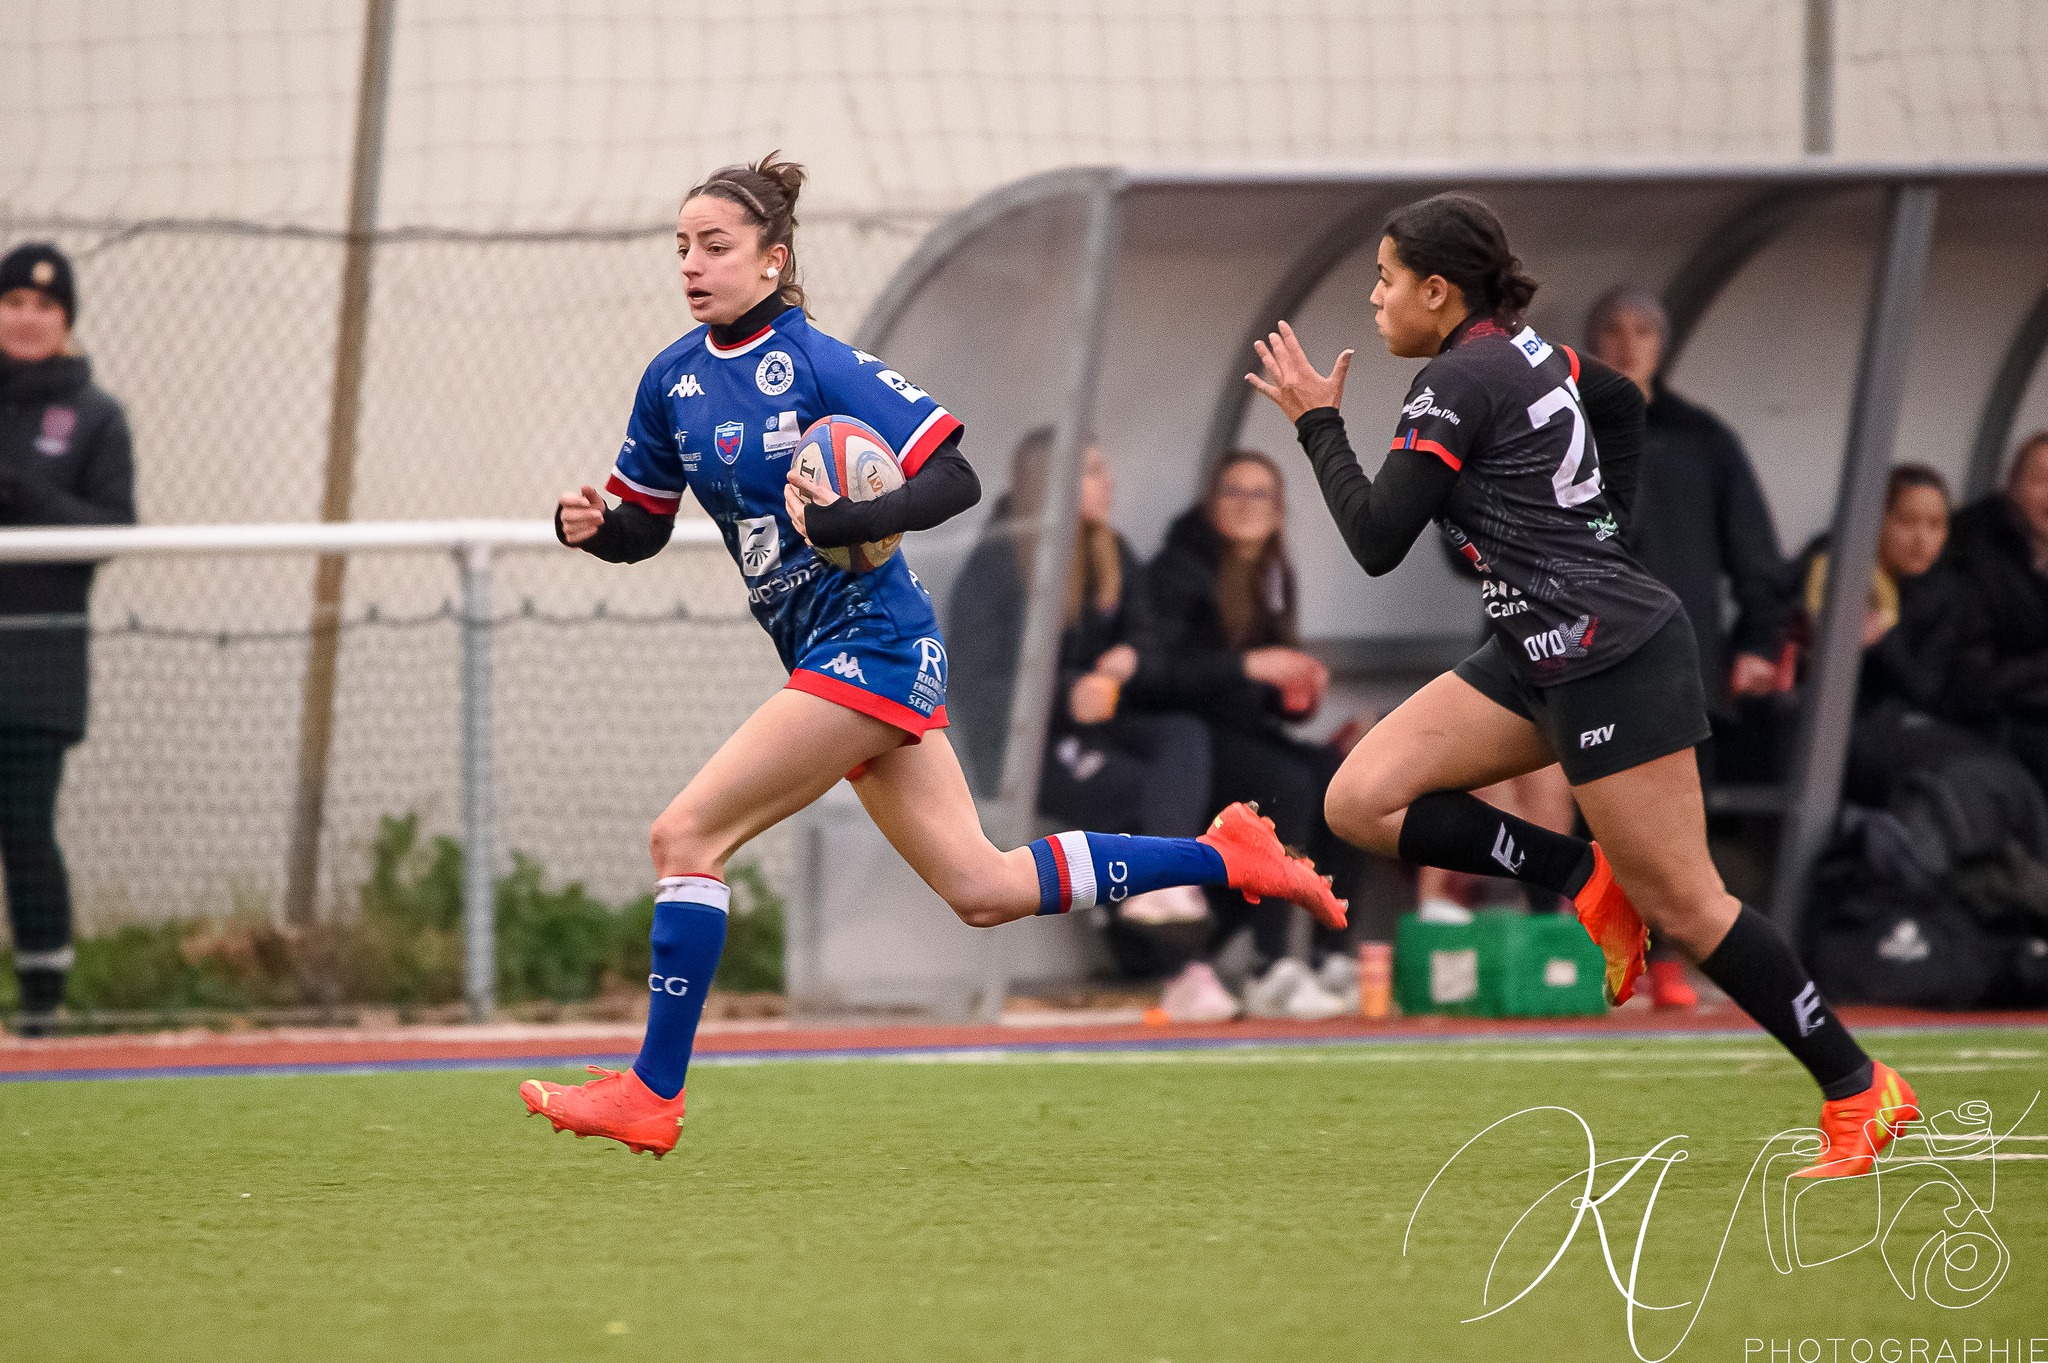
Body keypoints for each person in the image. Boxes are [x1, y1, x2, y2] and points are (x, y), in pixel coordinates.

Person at [518, 154, 1343, 1153]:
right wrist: (590, 528)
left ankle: (652, 1090)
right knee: (983, 889)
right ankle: (1225, 853)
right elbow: (642, 525)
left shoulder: (821, 362)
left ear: (773, 260)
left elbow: (952, 476)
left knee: (683, 837)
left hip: (871, 642)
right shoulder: (672, 381)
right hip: (823, 654)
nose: (692, 264)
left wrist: (859, 515)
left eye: (716, 246)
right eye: (682, 247)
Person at [1245, 191, 1915, 1178]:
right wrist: (1605, 527)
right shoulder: (1529, 352)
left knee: (1688, 907)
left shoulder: (1449, 383)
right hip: (1532, 649)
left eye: (1386, 279)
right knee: (1358, 797)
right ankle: (1582, 877)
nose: (1375, 297)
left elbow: (1378, 541)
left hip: (1610, 656)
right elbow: (1618, 401)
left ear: (1437, 291)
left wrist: (1316, 425)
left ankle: (1859, 1088)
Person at [948, 430, 1230, 1020]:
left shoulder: (1113, 551)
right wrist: (1064, 690)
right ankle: (1179, 964)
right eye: (1090, 470)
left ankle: (1169, 911)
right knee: (1144, 796)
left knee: (1186, 739)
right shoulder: (1000, 559)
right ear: (1050, 485)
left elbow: (1151, 649)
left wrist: (1130, 663)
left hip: (1097, 732)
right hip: (1024, 749)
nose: (1107, 483)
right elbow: (974, 680)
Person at [1148, 450, 1367, 1020]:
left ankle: (1330, 953)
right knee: (1289, 786)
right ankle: (1270, 965)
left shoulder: (1271, 570)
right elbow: (1157, 678)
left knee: (1347, 776)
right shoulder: (1179, 567)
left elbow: (1261, 693)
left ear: (1279, 512)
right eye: (1233, 492)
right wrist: (1252, 668)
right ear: (1210, 502)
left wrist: (1295, 697)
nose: (1245, 506)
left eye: (1260, 495)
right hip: (1188, 738)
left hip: (1242, 732)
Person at [0, 243, 137, 1038]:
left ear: (66, 319)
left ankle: (42, 1001)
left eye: (43, 306)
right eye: (12, 301)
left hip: (40, 664)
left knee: (25, 824)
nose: (26, 317)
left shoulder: (94, 414)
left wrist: (30, 495)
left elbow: (114, 528)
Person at [1799, 466, 1971, 804]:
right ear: (1876, 519)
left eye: (1936, 526)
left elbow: (1926, 689)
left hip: (1894, 730)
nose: (1922, 540)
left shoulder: (1944, 591)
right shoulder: (1831, 560)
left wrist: (1883, 639)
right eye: (1907, 522)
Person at [1948, 432, 2048, 794]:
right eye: (2040, 481)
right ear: (2012, 487)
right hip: (1992, 721)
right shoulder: (1974, 549)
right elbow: (1973, 679)